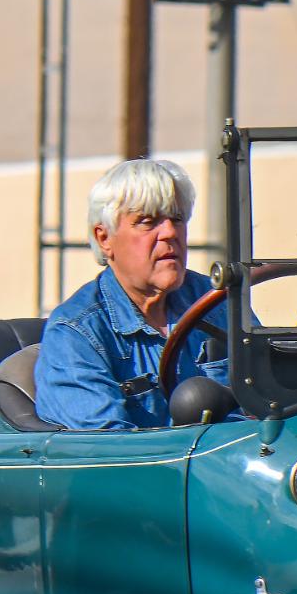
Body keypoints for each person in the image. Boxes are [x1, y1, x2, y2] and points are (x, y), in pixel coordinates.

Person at [34, 158, 229, 430]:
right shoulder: (75, 334)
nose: (170, 233)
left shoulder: (217, 303)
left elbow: (275, 400)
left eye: (177, 219)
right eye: (148, 222)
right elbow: (113, 456)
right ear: (104, 239)